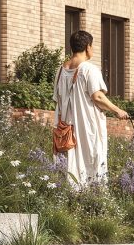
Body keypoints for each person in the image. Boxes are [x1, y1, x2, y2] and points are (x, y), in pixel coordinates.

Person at [53, 30, 123, 191]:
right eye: (92, 46)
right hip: (86, 126)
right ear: (87, 47)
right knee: (92, 159)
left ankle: (70, 194)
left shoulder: (60, 71)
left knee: (70, 163)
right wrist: (117, 110)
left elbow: (58, 99)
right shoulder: (89, 69)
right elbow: (97, 97)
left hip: (65, 129)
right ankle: (92, 196)